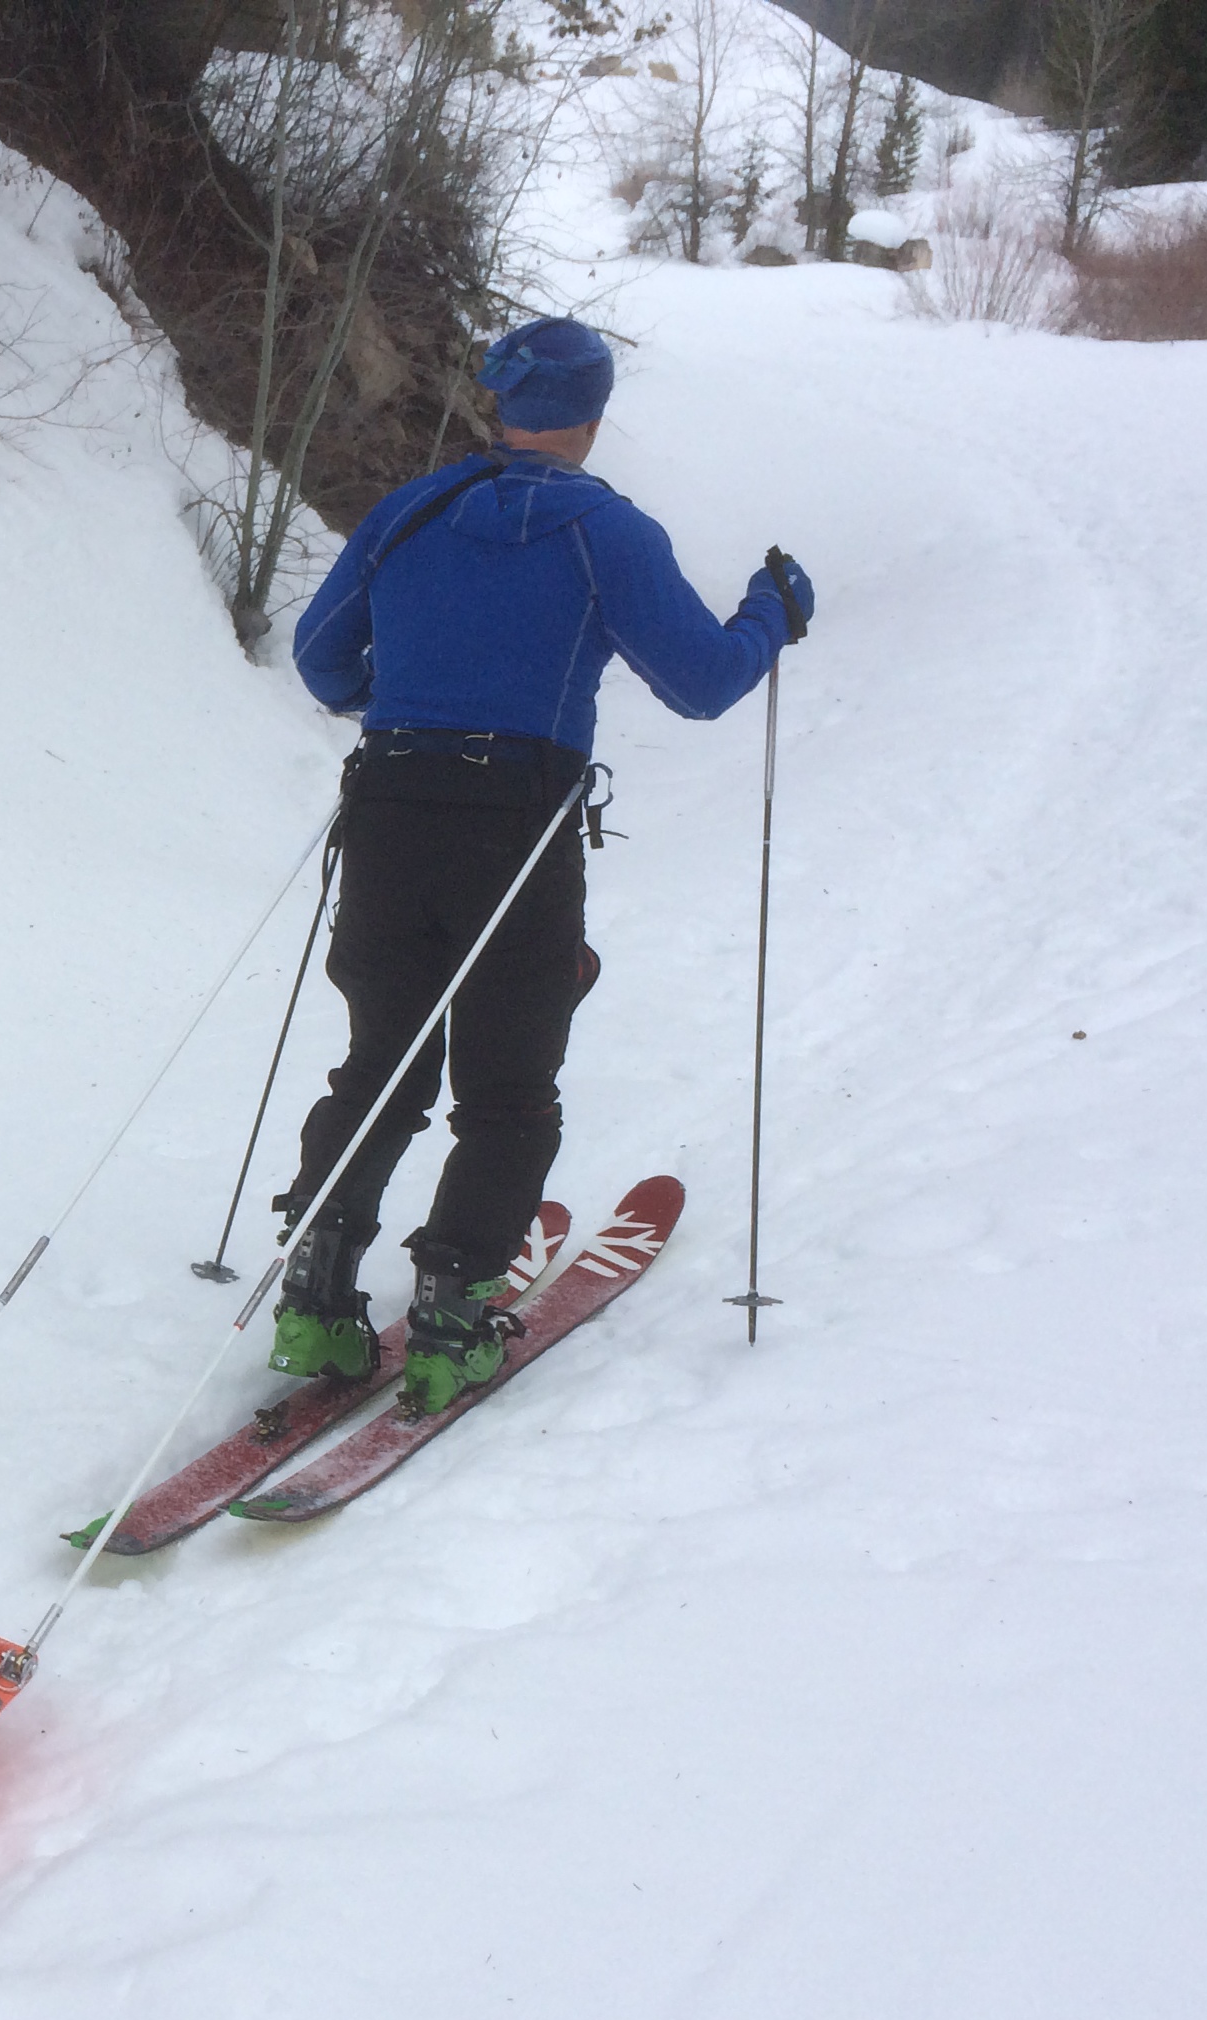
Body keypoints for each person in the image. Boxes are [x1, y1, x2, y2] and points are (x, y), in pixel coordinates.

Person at [267, 314, 813, 1411]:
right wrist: (771, 612)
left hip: (389, 805)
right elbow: (702, 683)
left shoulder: (409, 513)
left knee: (383, 1058)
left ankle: (317, 1304)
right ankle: (451, 1317)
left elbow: (324, 664)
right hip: (515, 822)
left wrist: (416, 702)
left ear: (497, 402)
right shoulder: (605, 532)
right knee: (509, 1081)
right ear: (594, 414)